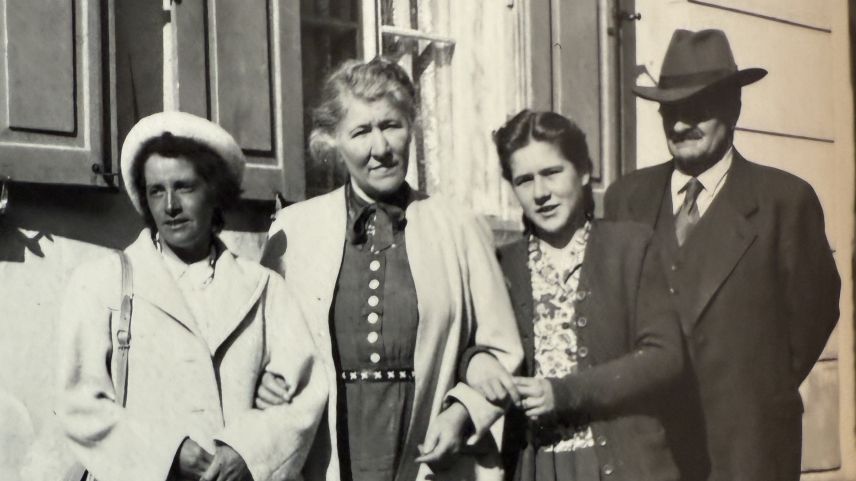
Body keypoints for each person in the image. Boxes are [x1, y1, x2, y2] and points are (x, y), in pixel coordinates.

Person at [257, 58, 523, 481]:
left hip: (428, 457)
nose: (380, 148)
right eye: (361, 132)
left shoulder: (459, 226)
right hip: (327, 459)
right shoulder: (293, 230)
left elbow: (502, 351)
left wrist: (462, 413)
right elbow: (264, 345)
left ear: (412, 127)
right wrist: (264, 381)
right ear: (333, 142)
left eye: (392, 125)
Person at [604, 29, 841, 481]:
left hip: (744, 450)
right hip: (650, 452)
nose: (679, 125)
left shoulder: (784, 202)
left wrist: (750, 389)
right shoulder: (625, 199)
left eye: (697, 108)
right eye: (670, 109)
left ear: (733, 107)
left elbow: (811, 318)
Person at [56, 111, 328, 481]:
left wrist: (246, 452)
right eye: (156, 190)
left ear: (214, 193)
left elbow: (301, 395)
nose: (170, 205)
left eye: (184, 187)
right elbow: (79, 405)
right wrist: (167, 453)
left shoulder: (264, 290)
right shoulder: (103, 284)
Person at [461, 110, 683, 481]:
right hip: (536, 466)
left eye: (552, 173)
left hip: (625, 464)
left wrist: (564, 393)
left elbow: (665, 357)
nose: (540, 193)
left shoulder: (629, 247)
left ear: (583, 171)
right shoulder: (501, 265)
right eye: (524, 180)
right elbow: (468, 340)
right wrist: (474, 360)